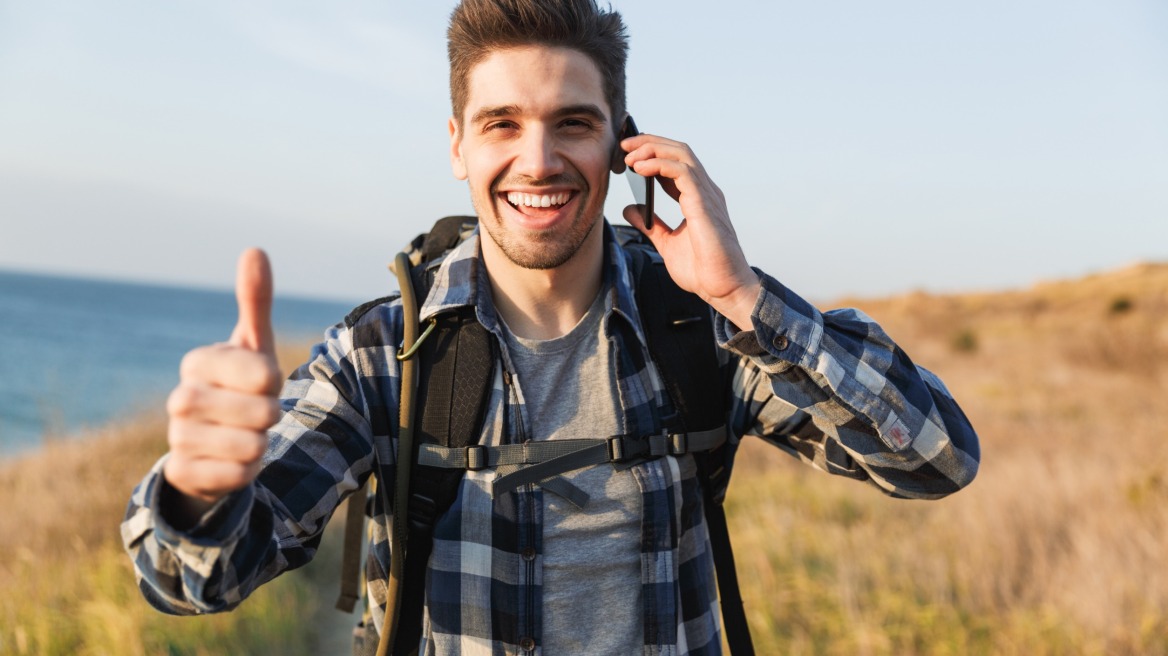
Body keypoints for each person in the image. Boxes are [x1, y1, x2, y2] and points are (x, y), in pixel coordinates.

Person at [122, 0, 980, 654]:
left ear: (622, 145)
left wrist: (744, 295)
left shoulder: (705, 325)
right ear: (458, 146)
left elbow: (937, 459)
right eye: (503, 124)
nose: (538, 161)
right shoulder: (384, 355)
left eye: (574, 122)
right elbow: (195, 581)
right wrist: (199, 492)